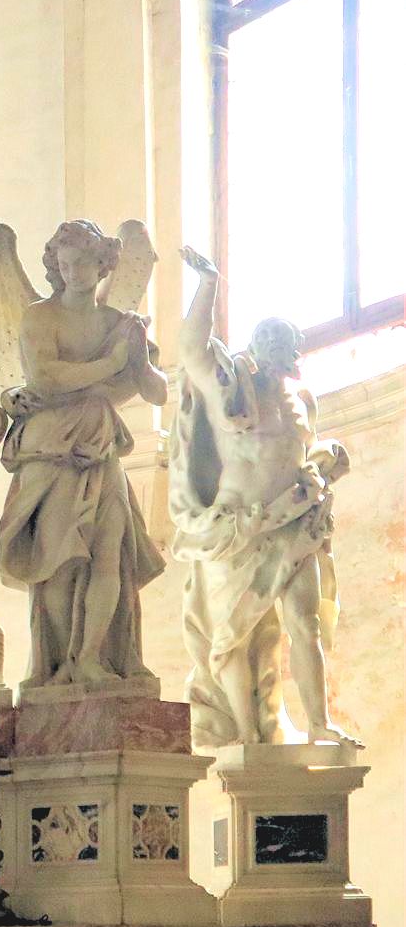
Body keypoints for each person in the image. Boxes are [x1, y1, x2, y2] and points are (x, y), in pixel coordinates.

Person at [169, 246, 361, 748]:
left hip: (292, 527)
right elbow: (191, 348)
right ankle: (250, 737)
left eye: (293, 344)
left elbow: (306, 456)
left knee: (305, 621)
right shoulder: (232, 390)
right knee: (233, 637)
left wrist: (324, 463)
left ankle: (319, 723)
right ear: (261, 347)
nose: (291, 353)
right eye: (282, 344)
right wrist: (208, 284)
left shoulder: (303, 401)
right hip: (237, 529)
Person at [0, 220, 168, 687]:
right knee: (57, 563)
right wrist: (111, 365)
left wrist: (142, 360)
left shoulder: (119, 324)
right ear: (55, 266)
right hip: (51, 446)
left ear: (103, 264)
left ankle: (92, 658)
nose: (73, 271)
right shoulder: (40, 316)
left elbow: (156, 392)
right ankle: (57, 663)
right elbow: (46, 379)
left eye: (84, 262)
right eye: (64, 263)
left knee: (109, 554)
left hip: (100, 446)